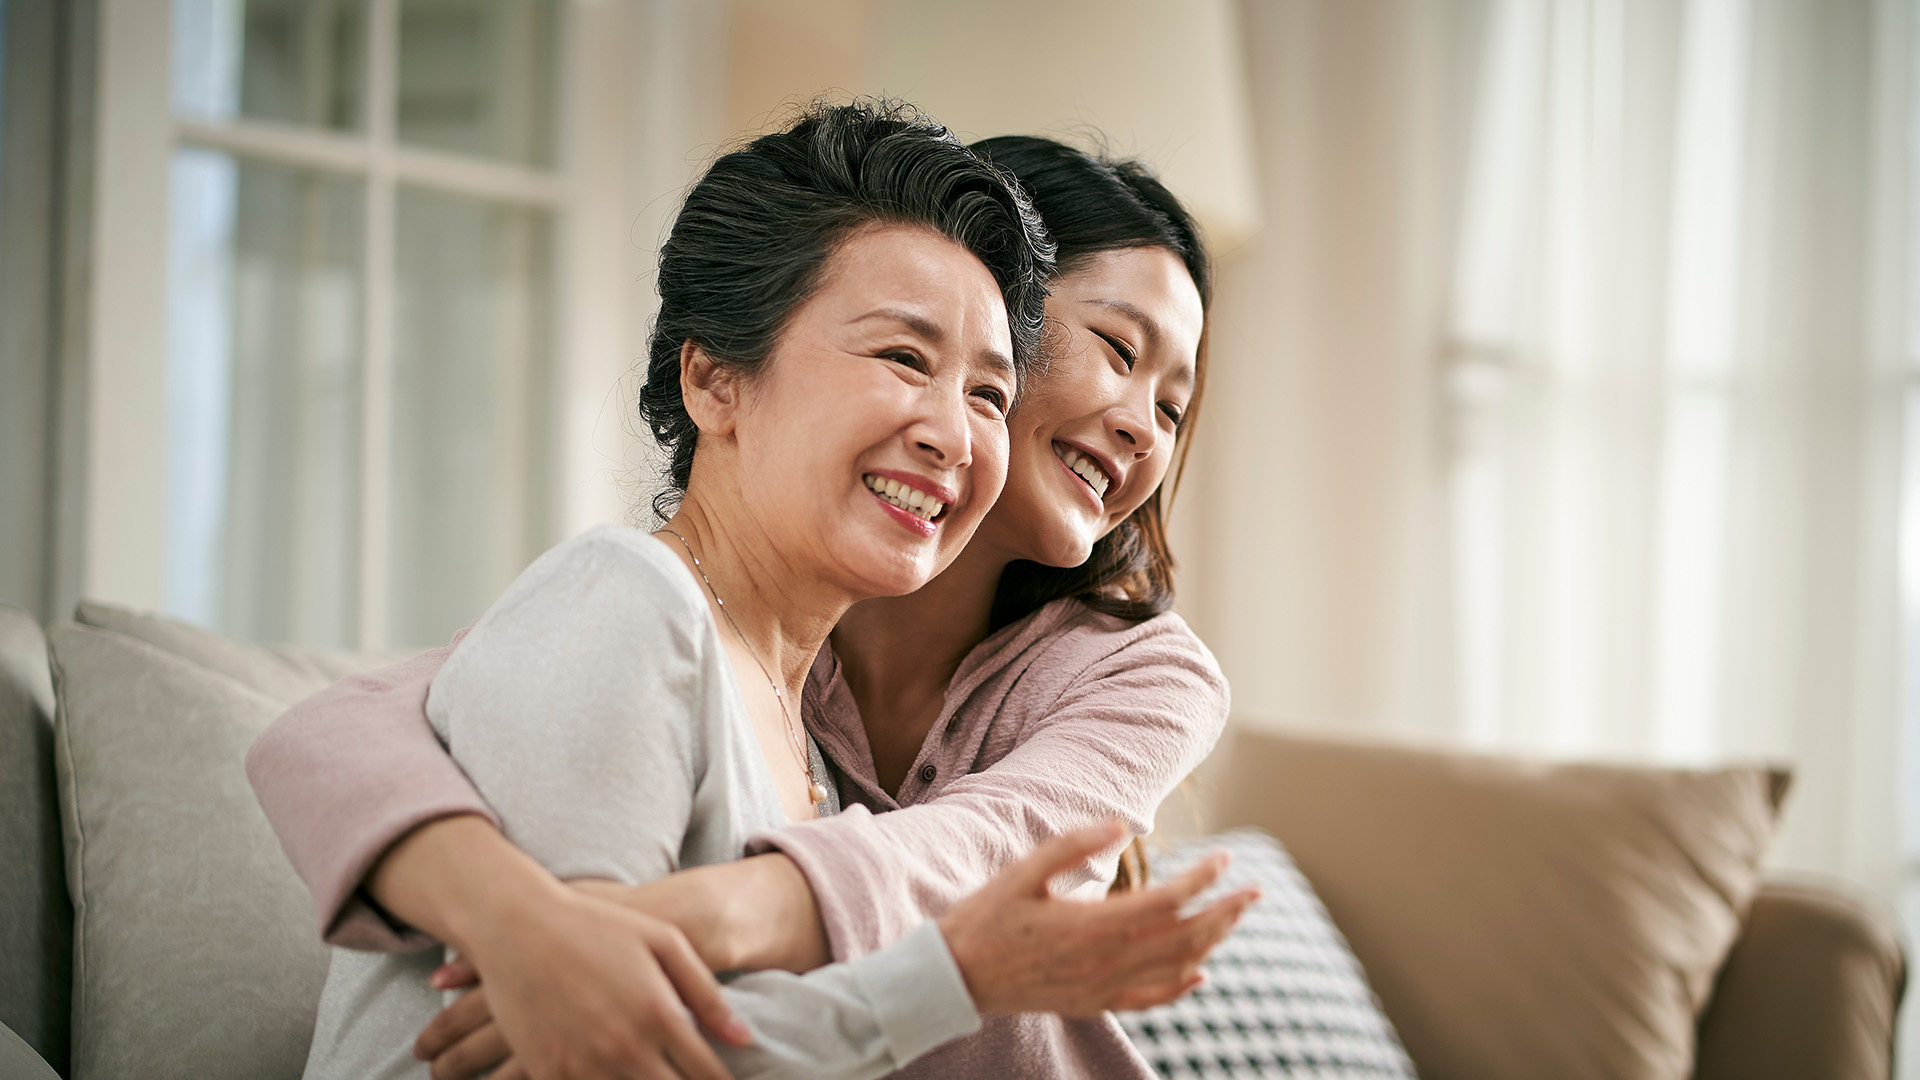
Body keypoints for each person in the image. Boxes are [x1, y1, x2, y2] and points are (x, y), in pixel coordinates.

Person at [249, 129, 1239, 1080]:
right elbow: (348, 726)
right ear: (716, 378)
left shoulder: (1137, 672)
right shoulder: (647, 605)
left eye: (1173, 406)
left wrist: (599, 942)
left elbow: (986, 855)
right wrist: (523, 923)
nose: (1143, 428)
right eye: (1117, 348)